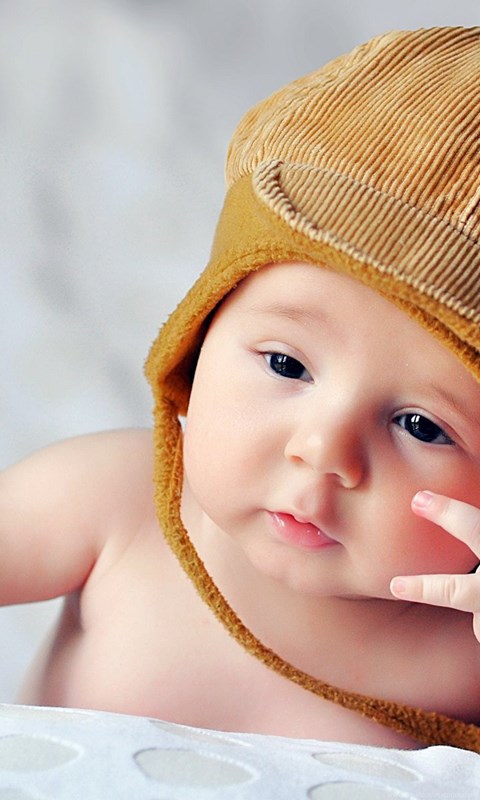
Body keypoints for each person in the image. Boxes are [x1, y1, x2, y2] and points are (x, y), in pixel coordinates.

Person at [2, 26, 480, 752]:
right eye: (286, 364)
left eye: (421, 425)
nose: (323, 450)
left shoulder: (462, 653)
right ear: (196, 343)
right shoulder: (114, 503)